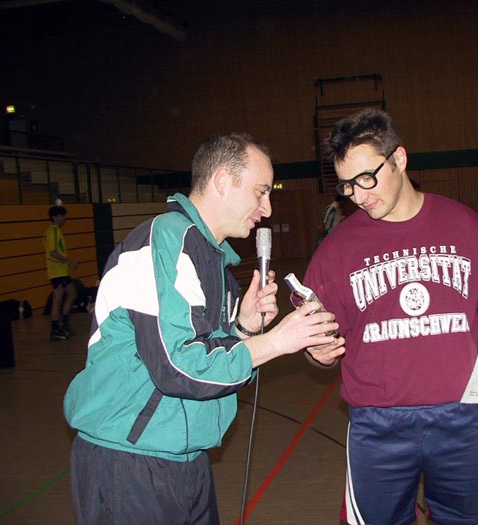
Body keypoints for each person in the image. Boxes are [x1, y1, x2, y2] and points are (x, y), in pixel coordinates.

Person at [63, 133, 342, 525]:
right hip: (131, 462)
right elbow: (176, 369)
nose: (266, 209)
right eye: (260, 192)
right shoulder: (164, 242)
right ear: (222, 181)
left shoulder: (215, 263)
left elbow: (209, 357)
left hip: (185, 458)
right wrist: (277, 341)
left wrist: (243, 328)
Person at [303, 109, 478, 525]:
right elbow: (316, 340)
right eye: (346, 185)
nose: (358, 194)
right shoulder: (335, 251)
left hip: (460, 418)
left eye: (367, 178)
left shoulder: (465, 225)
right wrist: (317, 353)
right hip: (376, 425)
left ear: (400, 158)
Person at [43, 204, 78, 340]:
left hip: (61, 271)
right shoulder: (52, 231)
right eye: (62, 216)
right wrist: (69, 261)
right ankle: (55, 329)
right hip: (57, 272)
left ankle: (63, 322)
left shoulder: (56, 230)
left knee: (72, 293)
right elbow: (53, 252)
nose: (65, 219)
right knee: (57, 300)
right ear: (55, 217)